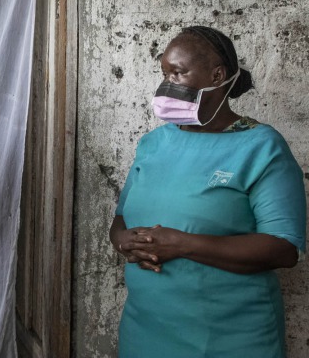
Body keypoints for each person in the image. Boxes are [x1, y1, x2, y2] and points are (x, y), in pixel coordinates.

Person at [109, 26, 306, 358]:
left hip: (229, 340)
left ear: (217, 75)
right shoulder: (153, 144)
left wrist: (183, 244)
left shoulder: (260, 146)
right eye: (164, 74)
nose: (166, 86)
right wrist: (121, 240)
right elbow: (121, 219)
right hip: (145, 334)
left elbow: (284, 250)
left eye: (178, 73)